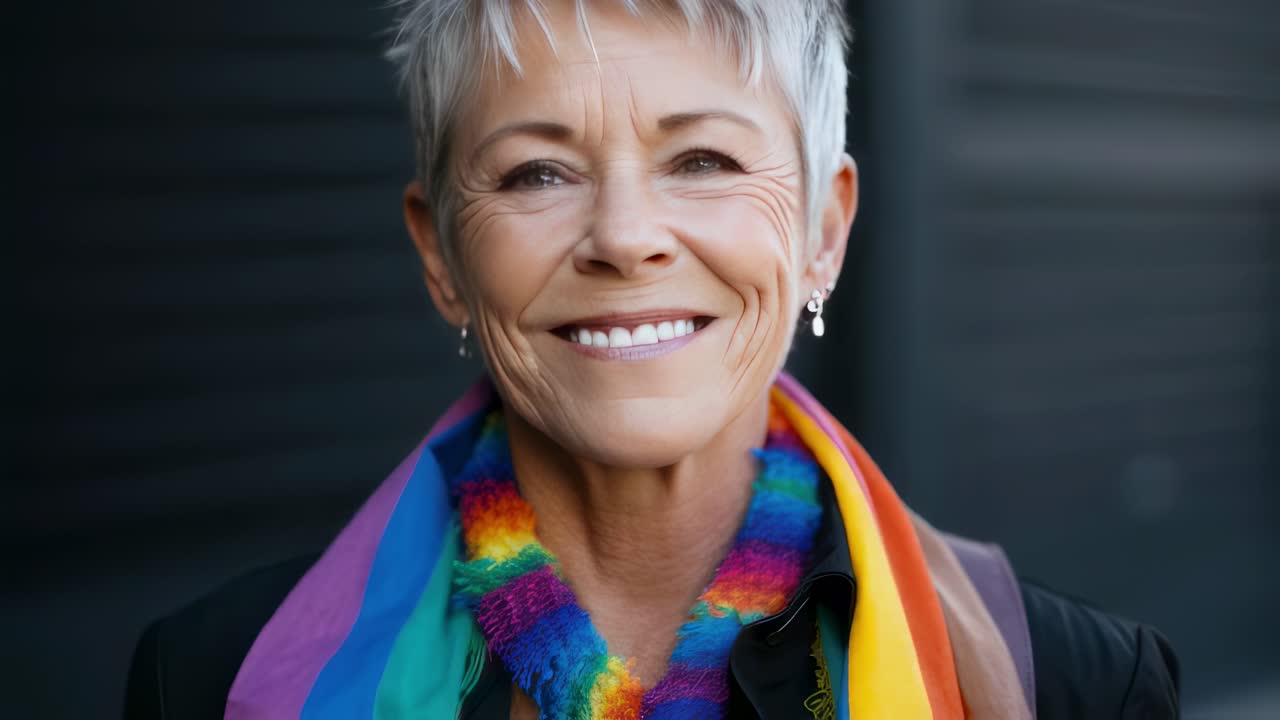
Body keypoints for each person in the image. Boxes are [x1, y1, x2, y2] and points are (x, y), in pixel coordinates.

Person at [124, 1, 1180, 718]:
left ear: (822, 230)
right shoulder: (212, 682)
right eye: (536, 172)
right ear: (440, 252)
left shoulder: (1075, 687)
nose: (624, 236)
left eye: (703, 160)